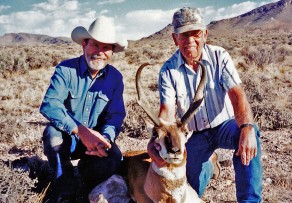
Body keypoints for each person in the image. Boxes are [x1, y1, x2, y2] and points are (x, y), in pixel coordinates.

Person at [147, 7, 263, 202]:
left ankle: (250, 200)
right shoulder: (168, 70)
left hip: (225, 126)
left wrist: (247, 127)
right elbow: (167, 112)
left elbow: (237, 95)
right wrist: (156, 141)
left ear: (205, 34)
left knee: (249, 136)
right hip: (195, 134)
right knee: (191, 191)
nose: (190, 41)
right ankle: (209, 165)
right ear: (175, 39)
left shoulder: (220, 56)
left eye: (196, 34)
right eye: (184, 35)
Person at [40, 16, 127, 202]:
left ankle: (87, 181)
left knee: (114, 157)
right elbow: (50, 104)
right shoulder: (66, 70)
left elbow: (116, 115)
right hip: (68, 137)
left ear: (112, 52)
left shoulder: (115, 78)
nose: (99, 52)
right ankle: (65, 187)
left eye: (106, 48)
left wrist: (105, 139)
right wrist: (81, 131)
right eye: (95, 45)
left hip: (96, 143)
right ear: (84, 45)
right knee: (51, 134)